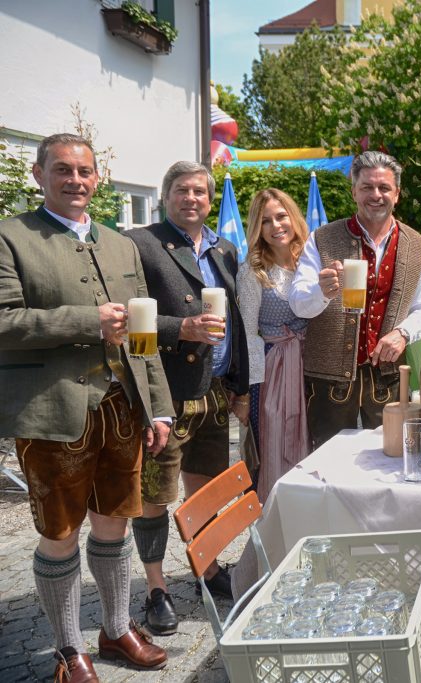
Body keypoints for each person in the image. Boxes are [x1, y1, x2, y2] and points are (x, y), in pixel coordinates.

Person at [0, 133, 172, 681]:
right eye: (63, 170)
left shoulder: (121, 244)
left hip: (121, 407)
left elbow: (143, 333)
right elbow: (3, 320)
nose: (75, 180)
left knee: (114, 523)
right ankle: (69, 649)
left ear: (98, 178)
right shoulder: (9, 236)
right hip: (52, 411)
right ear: (39, 174)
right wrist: (86, 322)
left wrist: (159, 407)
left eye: (84, 171)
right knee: (60, 532)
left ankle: (116, 628)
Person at [127, 161, 250, 636]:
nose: (191, 198)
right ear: (166, 196)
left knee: (206, 490)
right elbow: (131, 316)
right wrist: (182, 328)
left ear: (209, 199)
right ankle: (156, 588)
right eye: (182, 190)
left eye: (200, 191)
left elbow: (236, 320)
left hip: (213, 393)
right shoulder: (141, 243)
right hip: (167, 393)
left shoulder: (225, 249)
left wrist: (238, 384)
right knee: (155, 497)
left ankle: (208, 568)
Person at [289, 151, 421, 448]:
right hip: (329, 378)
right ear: (354, 192)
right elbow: (298, 303)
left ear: (397, 194)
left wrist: (402, 333)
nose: (376, 195)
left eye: (384, 188)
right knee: (327, 462)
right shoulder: (322, 238)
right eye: (367, 187)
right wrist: (322, 291)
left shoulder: (417, 245)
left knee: (389, 458)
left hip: (387, 379)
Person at [238, 189, 311, 500]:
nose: (276, 226)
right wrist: (246, 393)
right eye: (265, 221)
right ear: (257, 228)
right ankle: (274, 515)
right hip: (273, 371)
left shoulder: (311, 260)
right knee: (273, 445)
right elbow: (247, 334)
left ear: (293, 217)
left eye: (281, 216)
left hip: (310, 366)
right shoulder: (253, 271)